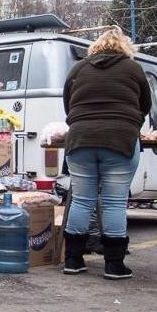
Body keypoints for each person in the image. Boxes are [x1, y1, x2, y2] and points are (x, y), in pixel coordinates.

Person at [62, 27, 151, 280]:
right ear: (125, 48)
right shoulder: (133, 68)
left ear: (95, 47)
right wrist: (130, 123)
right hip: (120, 139)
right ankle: (114, 264)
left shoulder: (78, 68)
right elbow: (145, 104)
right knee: (113, 201)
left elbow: (67, 102)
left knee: (81, 199)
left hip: (80, 138)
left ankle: (72, 260)